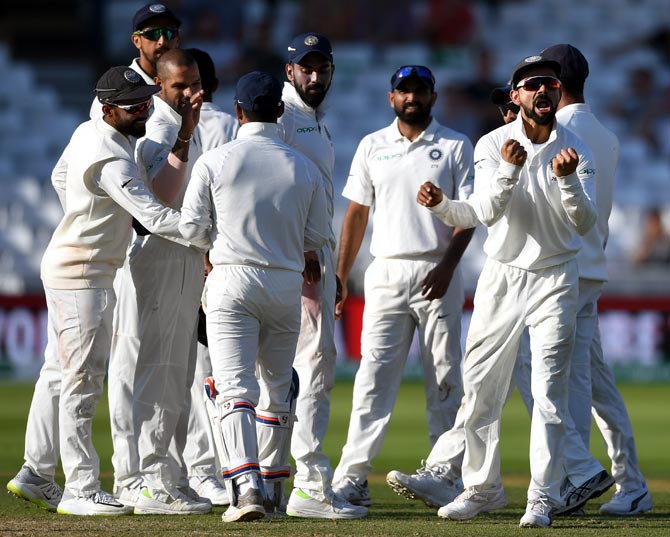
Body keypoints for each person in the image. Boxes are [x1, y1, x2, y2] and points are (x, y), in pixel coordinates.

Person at [388, 46, 651, 518]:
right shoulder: (492, 144)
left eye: (550, 82)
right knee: (482, 386)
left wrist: (568, 179)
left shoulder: (578, 146)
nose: (544, 88)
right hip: (503, 277)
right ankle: (482, 488)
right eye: (533, 84)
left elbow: (584, 223)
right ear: (517, 95)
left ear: (558, 91)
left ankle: (542, 496)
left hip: (557, 277)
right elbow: (484, 213)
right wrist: (452, 201)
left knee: (550, 392)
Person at [5, 66, 190, 515]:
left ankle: (35, 472)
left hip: (75, 267)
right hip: (83, 275)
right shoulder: (112, 156)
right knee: (81, 380)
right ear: (108, 109)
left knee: (58, 374)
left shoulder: (88, 131)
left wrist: (83, 215)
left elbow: (59, 176)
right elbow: (154, 216)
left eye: (147, 101)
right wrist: (210, 234)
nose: (145, 109)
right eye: (134, 106)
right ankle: (81, 487)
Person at [179, 70, 329, 522]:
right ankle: (273, 487)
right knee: (275, 387)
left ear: (239, 111)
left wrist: (216, 240)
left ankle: (245, 488)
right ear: (280, 110)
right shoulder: (303, 166)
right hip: (285, 284)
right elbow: (318, 235)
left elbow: (190, 229)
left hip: (231, 279)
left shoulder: (215, 160)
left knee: (233, 387)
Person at [330, 65, 475, 507]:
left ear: (433, 96)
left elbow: (469, 214)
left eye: (420, 91)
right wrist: (341, 275)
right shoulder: (373, 145)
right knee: (373, 377)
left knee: (446, 377)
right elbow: (356, 214)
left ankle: (447, 475)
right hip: (387, 270)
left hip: (438, 270)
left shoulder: (454, 145)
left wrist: (448, 267)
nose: (412, 97)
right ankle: (352, 477)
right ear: (391, 97)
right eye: (404, 90)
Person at [538, 43, 652, 516]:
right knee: (595, 382)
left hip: (563, 270)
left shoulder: (558, 131)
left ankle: (575, 483)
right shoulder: (605, 133)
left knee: (568, 382)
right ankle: (631, 483)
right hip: (591, 267)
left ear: (557, 84)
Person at [112, 49, 212, 516]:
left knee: (181, 370)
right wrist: (185, 136)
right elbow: (157, 206)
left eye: (194, 82)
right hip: (156, 258)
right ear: (159, 89)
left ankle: (171, 474)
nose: (191, 92)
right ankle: (145, 478)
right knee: (155, 368)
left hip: (189, 258)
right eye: (179, 86)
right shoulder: (153, 132)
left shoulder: (191, 126)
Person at [276, 31, 365, 520]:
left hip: (312, 259)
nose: (314, 76)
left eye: (321, 68)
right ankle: (309, 485)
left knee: (292, 370)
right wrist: (309, 249)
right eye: (305, 68)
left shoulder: (314, 122)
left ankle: (269, 479)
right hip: (300, 260)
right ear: (289, 71)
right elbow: (278, 188)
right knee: (313, 368)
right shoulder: (287, 119)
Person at [179, 47, 238, 507]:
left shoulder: (201, 124)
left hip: (191, 251)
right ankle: (207, 468)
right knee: (207, 370)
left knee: (194, 369)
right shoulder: (225, 126)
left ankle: (198, 467)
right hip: (210, 256)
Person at [89, 3, 181, 118]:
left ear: (177, 39)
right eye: (153, 34)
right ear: (136, 40)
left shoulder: (190, 85)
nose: (162, 41)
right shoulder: (115, 88)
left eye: (169, 33)